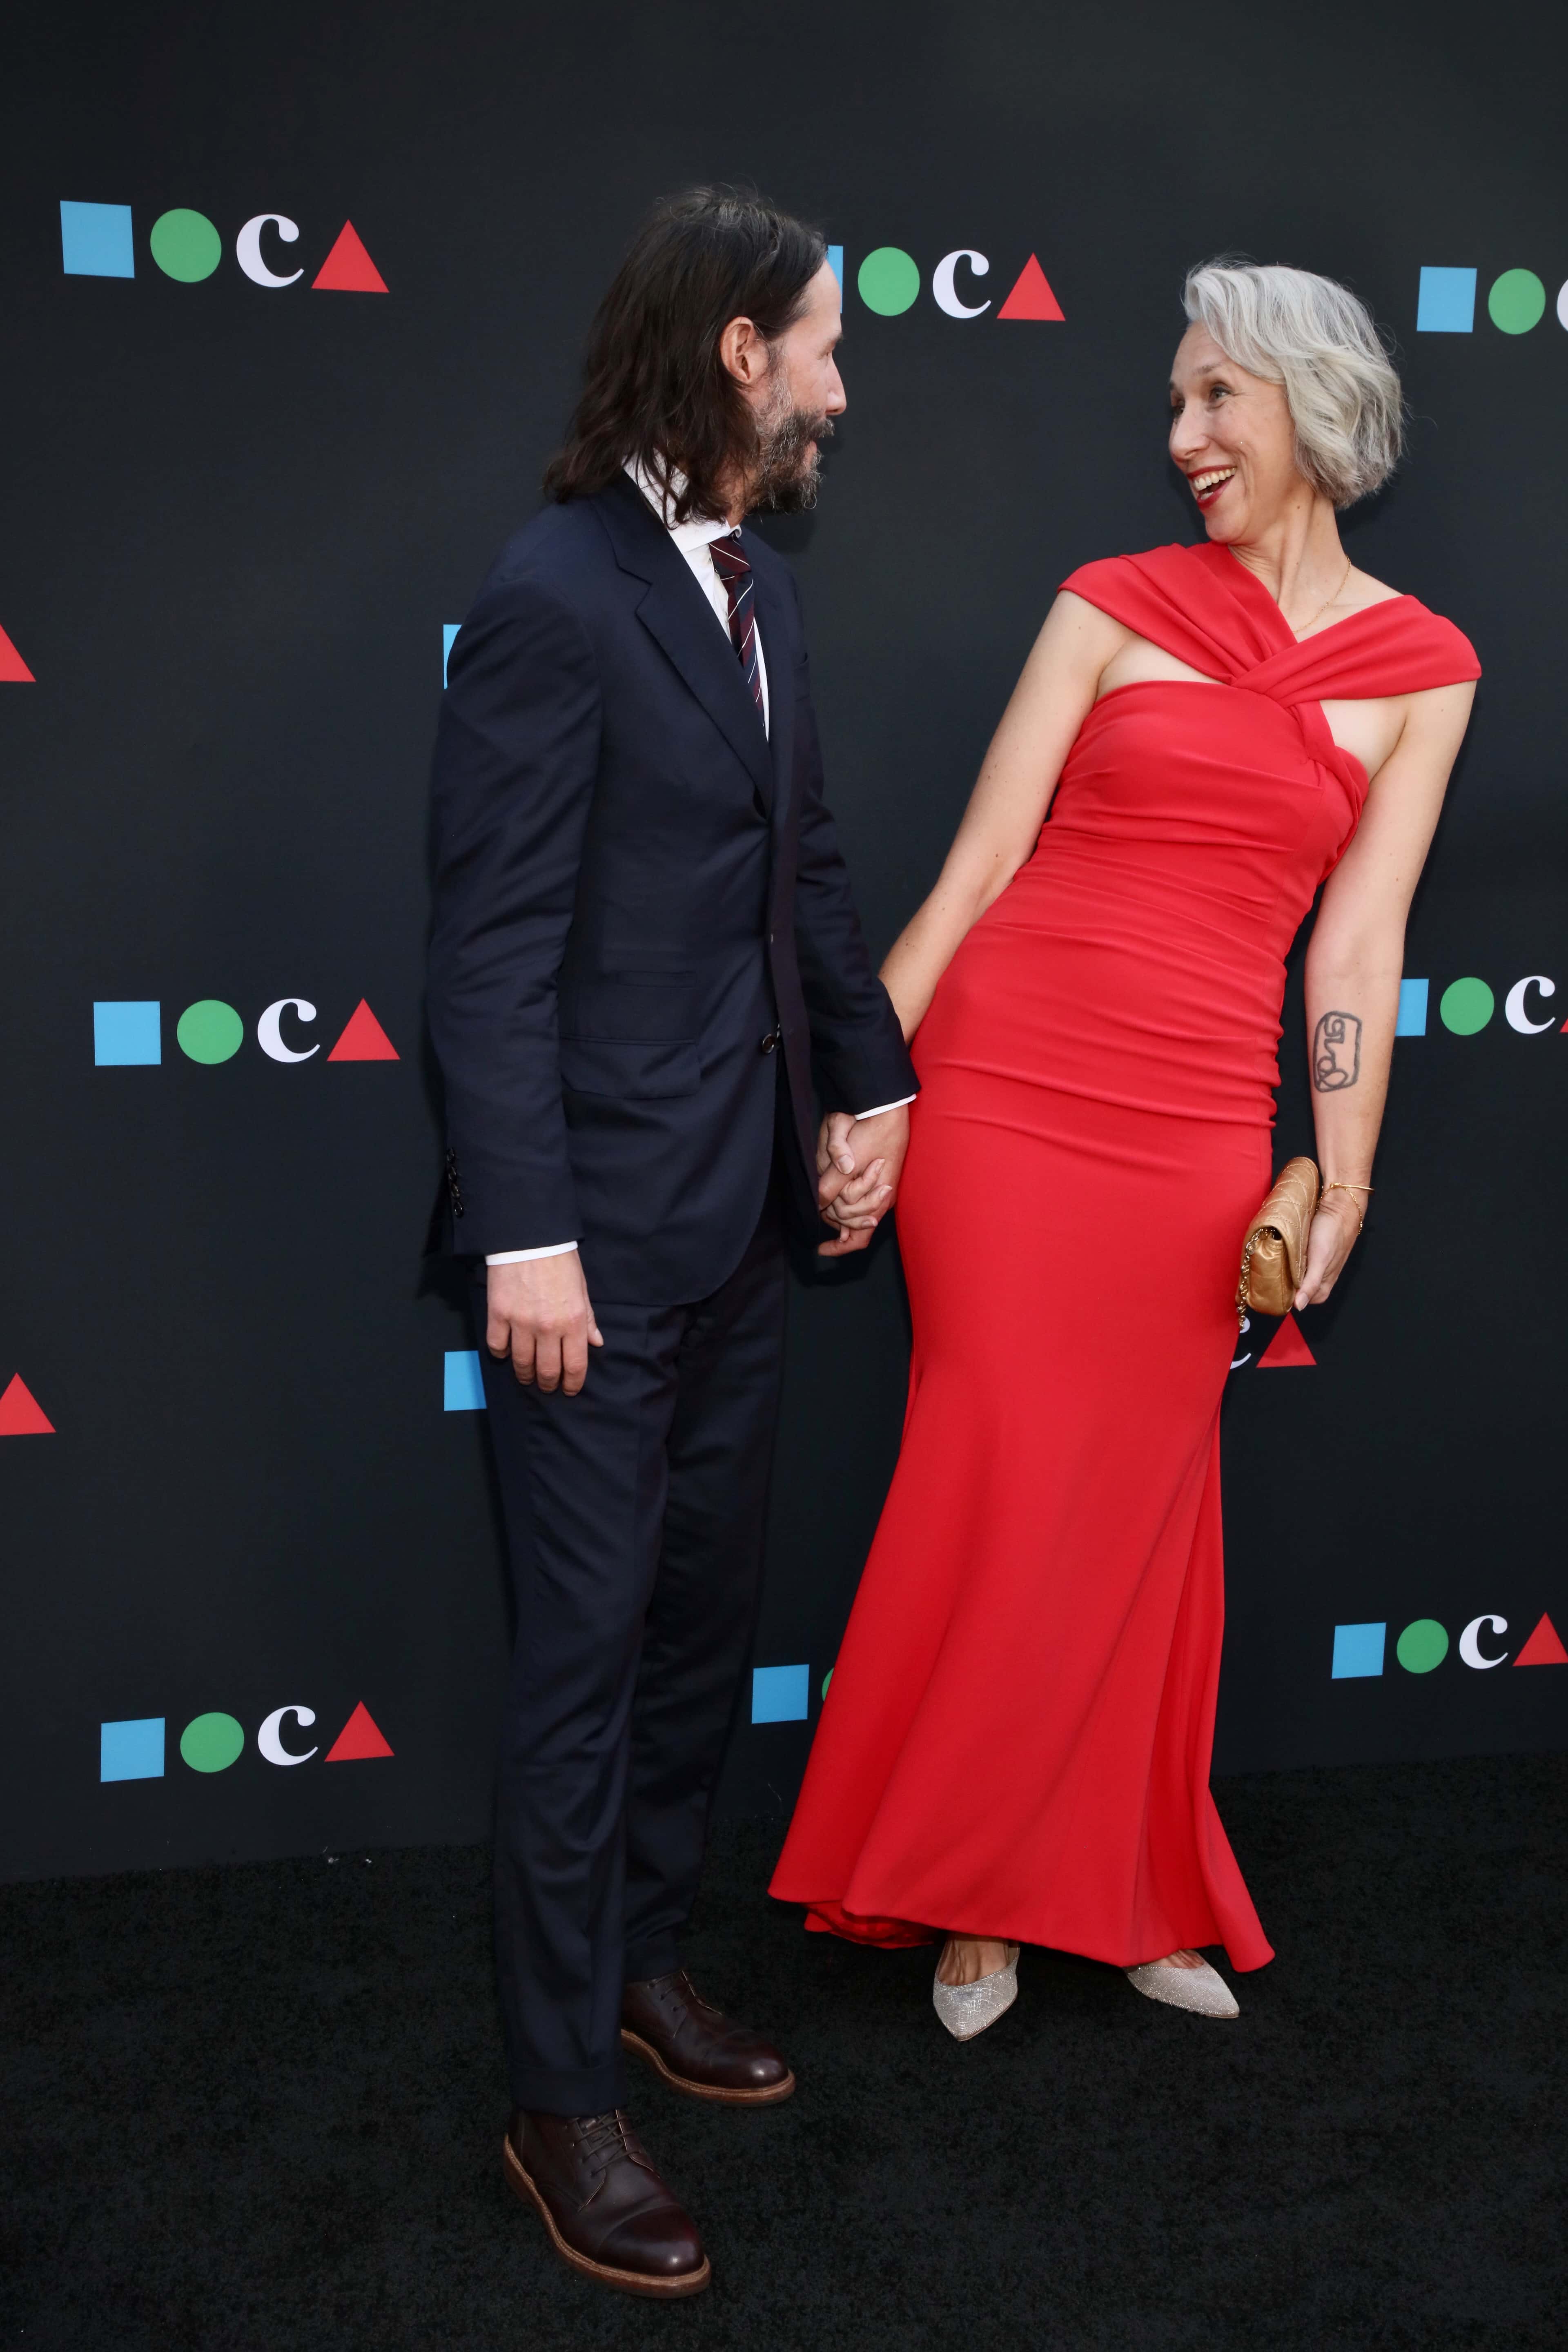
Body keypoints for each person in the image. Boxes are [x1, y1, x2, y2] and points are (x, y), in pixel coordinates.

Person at [773, 258, 1480, 2038]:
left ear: (1313, 405)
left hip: (1194, 1127)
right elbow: (976, 871)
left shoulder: (1421, 668)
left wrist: (1346, 1174)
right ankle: (979, 1900)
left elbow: (1359, 942)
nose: (1182, 440)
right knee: (999, 1468)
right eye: (1175, 405)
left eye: (1213, 400)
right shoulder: (1111, 602)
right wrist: (873, 1088)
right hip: (1009, 1090)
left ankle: (1136, 1880)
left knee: (1151, 1511)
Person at [425, 188, 915, 2295]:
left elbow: (800, 865)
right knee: (582, 1674)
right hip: (590, 1258)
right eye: (818, 343)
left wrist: (870, 1090)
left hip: (736, 1228)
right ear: (736, 354)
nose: (839, 380)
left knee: (700, 1638)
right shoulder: (555, 595)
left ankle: (638, 1969)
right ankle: (559, 2102)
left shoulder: (760, 596)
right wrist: (525, 1233)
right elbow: (487, 948)